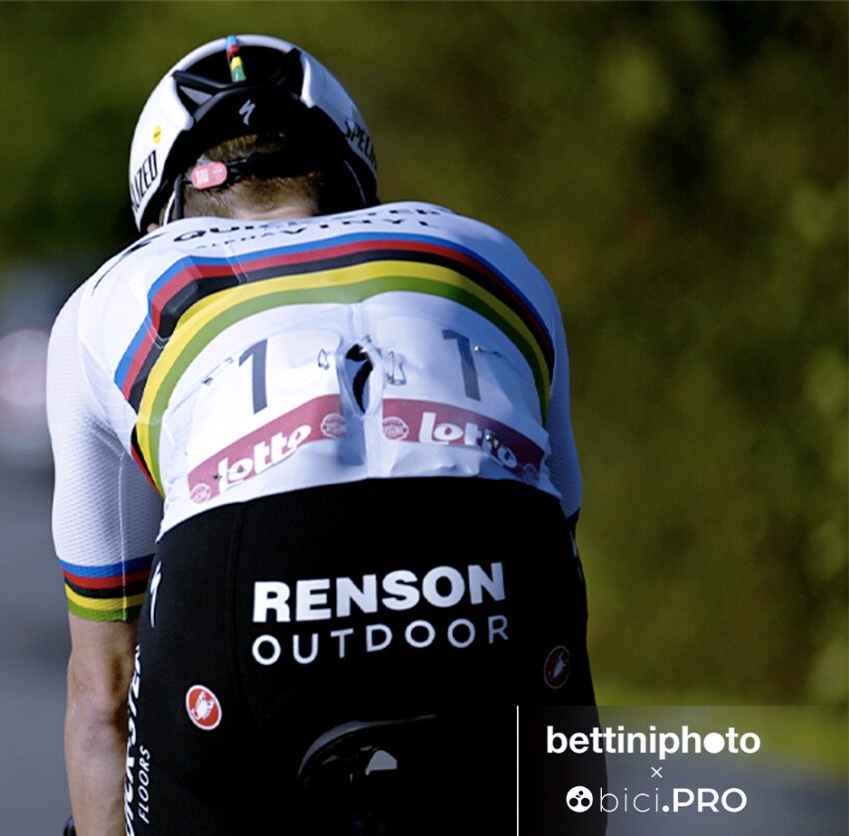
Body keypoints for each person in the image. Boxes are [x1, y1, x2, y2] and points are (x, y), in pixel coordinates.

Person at [47, 34, 602, 834]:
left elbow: (102, 693)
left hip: (251, 588)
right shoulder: (487, 251)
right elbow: (561, 547)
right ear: (350, 175)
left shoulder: (111, 295)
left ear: (163, 209)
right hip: (488, 568)